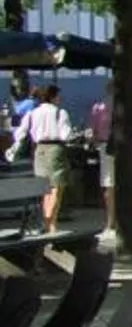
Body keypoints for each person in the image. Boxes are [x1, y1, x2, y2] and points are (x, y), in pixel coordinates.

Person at [13, 86, 77, 230]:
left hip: (39, 150)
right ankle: (51, 222)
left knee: (45, 188)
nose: (60, 99)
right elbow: (65, 135)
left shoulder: (32, 113)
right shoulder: (60, 112)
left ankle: (47, 221)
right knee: (56, 188)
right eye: (58, 96)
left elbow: (20, 133)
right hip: (55, 150)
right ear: (53, 97)